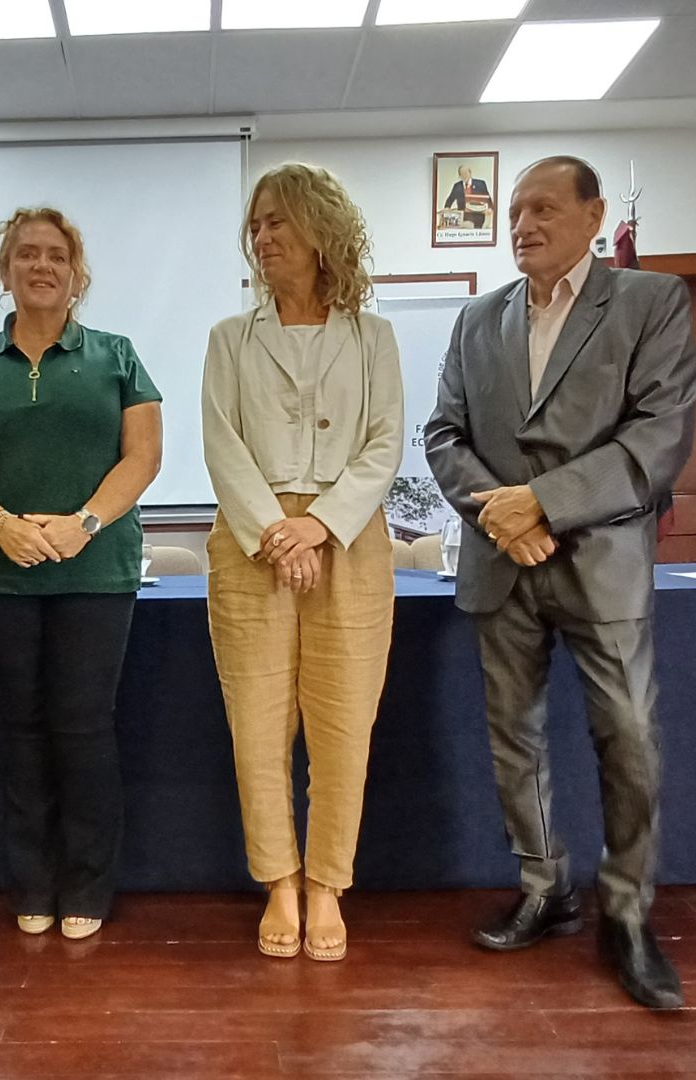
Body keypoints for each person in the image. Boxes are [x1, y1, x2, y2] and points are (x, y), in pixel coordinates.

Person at [422, 155, 696, 1010]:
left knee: (630, 736)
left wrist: (543, 503)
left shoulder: (651, 302)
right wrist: (501, 515)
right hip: (501, 563)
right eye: (515, 212)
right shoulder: (479, 319)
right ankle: (545, 889)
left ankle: (627, 913)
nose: (524, 225)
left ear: (594, 216)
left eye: (543, 208)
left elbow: (660, 436)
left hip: (602, 563)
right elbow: (444, 434)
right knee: (516, 738)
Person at [0, 207, 163, 941]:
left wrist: (82, 523)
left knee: (84, 727)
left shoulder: (118, 355)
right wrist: (0, 524)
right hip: (1, 575)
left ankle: (87, 884)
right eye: (26, 253)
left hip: (97, 573)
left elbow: (143, 456)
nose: (42, 265)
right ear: (5, 270)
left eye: (57, 255)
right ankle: (31, 882)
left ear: (76, 273)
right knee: (21, 729)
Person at [202, 163, 403, 962]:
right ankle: (279, 881)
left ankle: (327, 884)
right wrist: (276, 533)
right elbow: (222, 443)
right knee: (257, 729)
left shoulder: (373, 337)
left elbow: (384, 442)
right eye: (256, 224)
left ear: (322, 229)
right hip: (251, 543)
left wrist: (318, 526)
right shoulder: (230, 338)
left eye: (278, 220)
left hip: (348, 541)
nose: (263, 236)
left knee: (343, 726)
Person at [443, 164, 492, 229]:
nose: (464, 175)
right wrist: (447, 207)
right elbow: (450, 199)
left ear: (470, 173)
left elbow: (488, 198)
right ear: (459, 176)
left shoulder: (480, 184)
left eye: (466, 173)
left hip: (478, 216)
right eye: (462, 174)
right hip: (463, 217)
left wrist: (490, 208)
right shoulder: (457, 186)